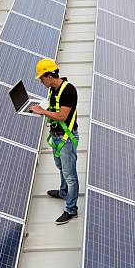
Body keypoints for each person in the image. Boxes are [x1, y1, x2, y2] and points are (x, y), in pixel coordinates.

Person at [29, 58, 79, 225]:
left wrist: (42, 111)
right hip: (57, 137)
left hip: (66, 139)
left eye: (42, 78)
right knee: (61, 168)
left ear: (49, 76)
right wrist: (38, 107)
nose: (41, 81)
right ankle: (64, 192)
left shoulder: (68, 91)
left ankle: (71, 210)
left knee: (70, 175)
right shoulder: (53, 90)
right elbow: (53, 107)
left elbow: (62, 116)